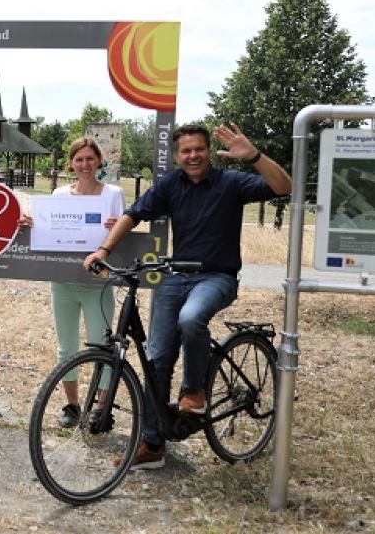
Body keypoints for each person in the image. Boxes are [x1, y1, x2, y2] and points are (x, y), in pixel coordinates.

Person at [84, 123, 291, 469]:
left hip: (217, 277)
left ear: (208, 151)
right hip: (175, 276)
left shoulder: (232, 183)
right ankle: (151, 445)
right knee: (156, 358)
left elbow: (283, 186)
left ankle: (194, 391)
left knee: (191, 319)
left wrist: (253, 155)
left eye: (199, 149)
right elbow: (133, 215)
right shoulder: (170, 184)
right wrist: (103, 251)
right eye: (186, 151)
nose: (193, 156)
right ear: (177, 155)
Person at [48, 137, 125, 427]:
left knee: (102, 346)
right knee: (66, 346)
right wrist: (33, 223)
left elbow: (126, 230)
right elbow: (48, 230)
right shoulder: (58, 195)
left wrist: (117, 227)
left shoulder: (114, 194)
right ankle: (72, 405)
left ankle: (101, 408)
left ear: (99, 162)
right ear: (71, 163)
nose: (84, 165)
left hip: (99, 283)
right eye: (79, 159)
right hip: (64, 282)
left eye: (90, 159)